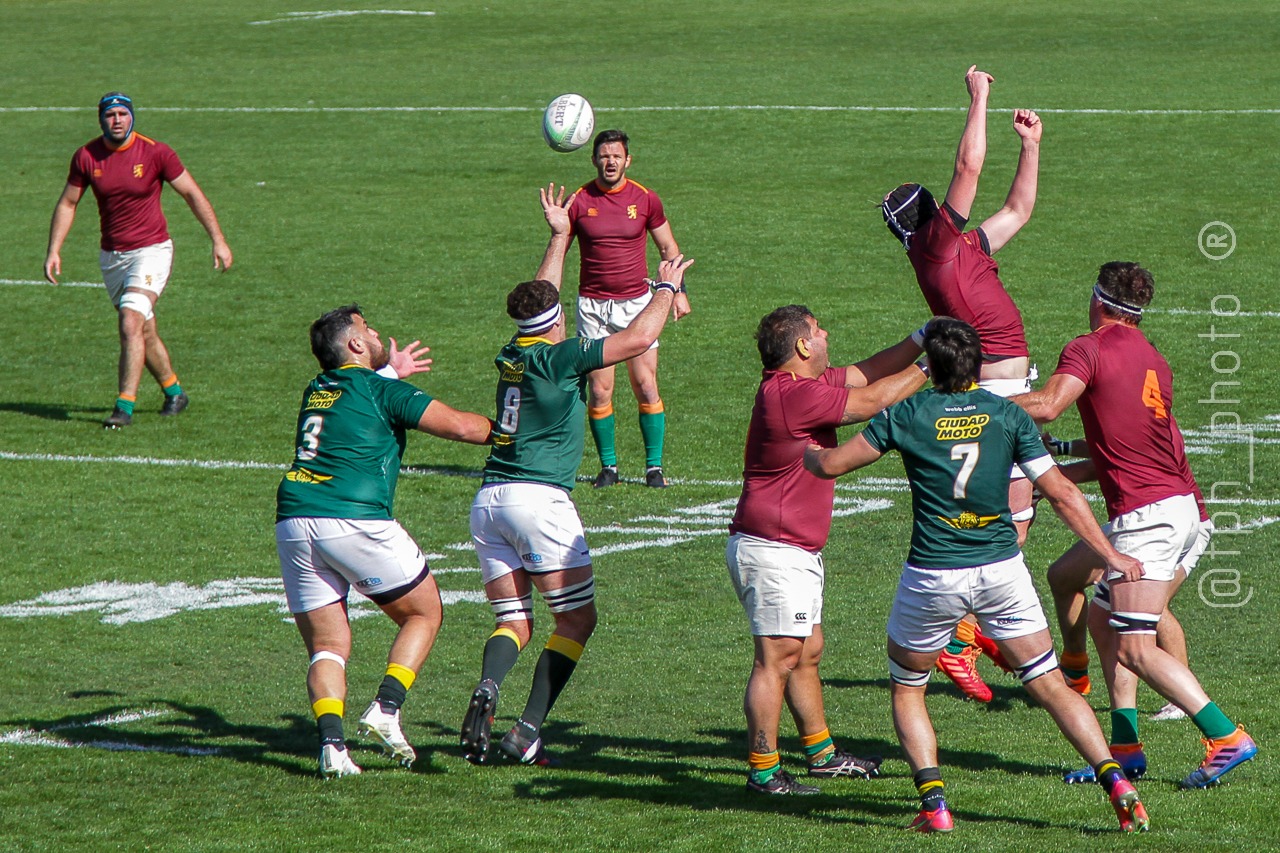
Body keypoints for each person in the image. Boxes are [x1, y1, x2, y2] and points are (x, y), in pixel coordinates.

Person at [804, 317, 1150, 834]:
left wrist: (806, 454)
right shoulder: (1007, 414)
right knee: (1051, 684)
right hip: (1001, 571)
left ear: (930, 366)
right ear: (978, 365)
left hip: (933, 575)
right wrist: (1112, 555)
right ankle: (1116, 783)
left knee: (908, 688)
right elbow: (1061, 492)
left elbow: (833, 465)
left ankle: (935, 806)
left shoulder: (906, 413)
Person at [459, 185, 693, 767]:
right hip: (539, 502)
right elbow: (639, 338)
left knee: (513, 620)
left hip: (488, 501)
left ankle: (489, 684)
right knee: (577, 617)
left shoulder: (512, 352)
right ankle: (527, 730)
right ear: (559, 322)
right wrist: (666, 288)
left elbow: (541, 299)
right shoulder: (562, 357)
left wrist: (560, 236)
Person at [1012, 262, 1257, 789]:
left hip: (1148, 517)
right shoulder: (1154, 360)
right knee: (1105, 625)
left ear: (1098, 300)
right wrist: (1056, 463)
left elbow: (1048, 405)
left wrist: (972, 402)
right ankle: (1125, 750)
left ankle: (1226, 736)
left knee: (1136, 648)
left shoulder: (1088, 348)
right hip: (1174, 508)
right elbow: (1121, 448)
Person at [275, 305, 495, 778]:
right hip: (352, 519)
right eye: (367, 329)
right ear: (355, 344)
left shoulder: (317, 389)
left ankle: (332, 748)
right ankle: (386, 709)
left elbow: (361, 394)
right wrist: (515, 432)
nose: (376, 333)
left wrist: (391, 369)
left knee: (327, 646)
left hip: (294, 521)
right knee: (423, 613)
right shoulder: (381, 390)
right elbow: (461, 426)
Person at [881, 65, 1043, 700]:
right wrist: (979, 98)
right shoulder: (935, 247)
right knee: (1009, 524)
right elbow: (969, 168)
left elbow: (1019, 210)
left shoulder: (961, 246)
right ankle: (961, 640)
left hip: (1011, 387)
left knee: (1019, 519)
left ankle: (971, 636)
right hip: (999, 396)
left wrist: (1030, 147)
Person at [727, 305, 928, 795]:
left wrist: (924, 335)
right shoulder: (792, 395)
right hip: (774, 550)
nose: (826, 334)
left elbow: (870, 372)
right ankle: (764, 771)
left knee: (806, 652)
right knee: (777, 658)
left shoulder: (803, 386)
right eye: (818, 331)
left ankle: (821, 755)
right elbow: (873, 400)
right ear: (802, 346)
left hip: (791, 550)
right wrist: (931, 365)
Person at [44, 92, 234, 428]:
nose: (117, 120)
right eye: (110, 115)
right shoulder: (86, 156)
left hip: (152, 251)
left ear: (132, 117)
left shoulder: (156, 152)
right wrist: (54, 249)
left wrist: (218, 239)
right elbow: (68, 203)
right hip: (112, 258)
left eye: (122, 113)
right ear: (101, 119)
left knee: (130, 322)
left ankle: (124, 408)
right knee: (143, 330)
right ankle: (174, 392)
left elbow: (191, 193)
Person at [1038, 434, 1211, 722]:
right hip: (1136, 521)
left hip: (1167, 522)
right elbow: (1105, 444)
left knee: (1149, 609)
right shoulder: (1128, 415)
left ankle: (1183, 701)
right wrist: (1061, 447)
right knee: (1063, 576)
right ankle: (1075, 671)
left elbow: (1098, 465)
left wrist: (1036, 475)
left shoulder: (1145, 420)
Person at [564, 129, 690, 488]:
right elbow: (560, 248)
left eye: (616, 156)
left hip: (637, 306)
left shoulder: (645, 199)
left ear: (627, 160)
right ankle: (609, 468)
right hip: (592, 307)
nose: (610, 162)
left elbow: (668, 248)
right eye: (604, 156)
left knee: (646, 385)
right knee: (599, 391)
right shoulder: (578, 201)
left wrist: (678, 292)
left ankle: (654, 468)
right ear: (594, 160)